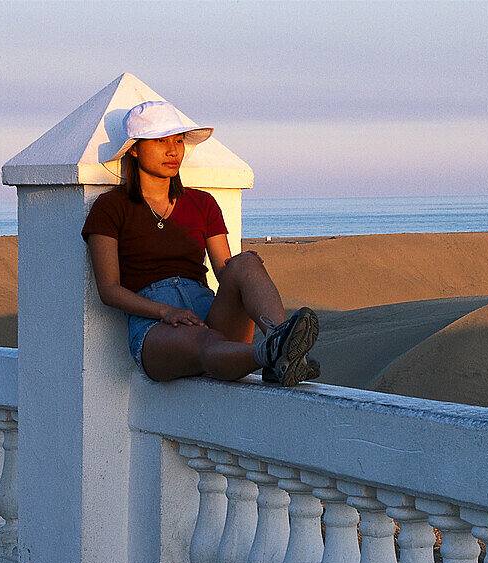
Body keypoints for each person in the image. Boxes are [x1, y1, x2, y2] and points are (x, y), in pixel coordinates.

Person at [83, 100, 319, 386]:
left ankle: (278, 340)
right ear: (134, 148)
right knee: (204, 341)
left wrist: (246, 267)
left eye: (178, 140)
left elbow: (224, 270)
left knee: (245, 262)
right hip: (155, 325)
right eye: (160, 141)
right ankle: (268, 355)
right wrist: (166, 311)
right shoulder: (110, 207)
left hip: (207, 309)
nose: (173, 151)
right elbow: (109, 290)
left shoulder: (202, 202)